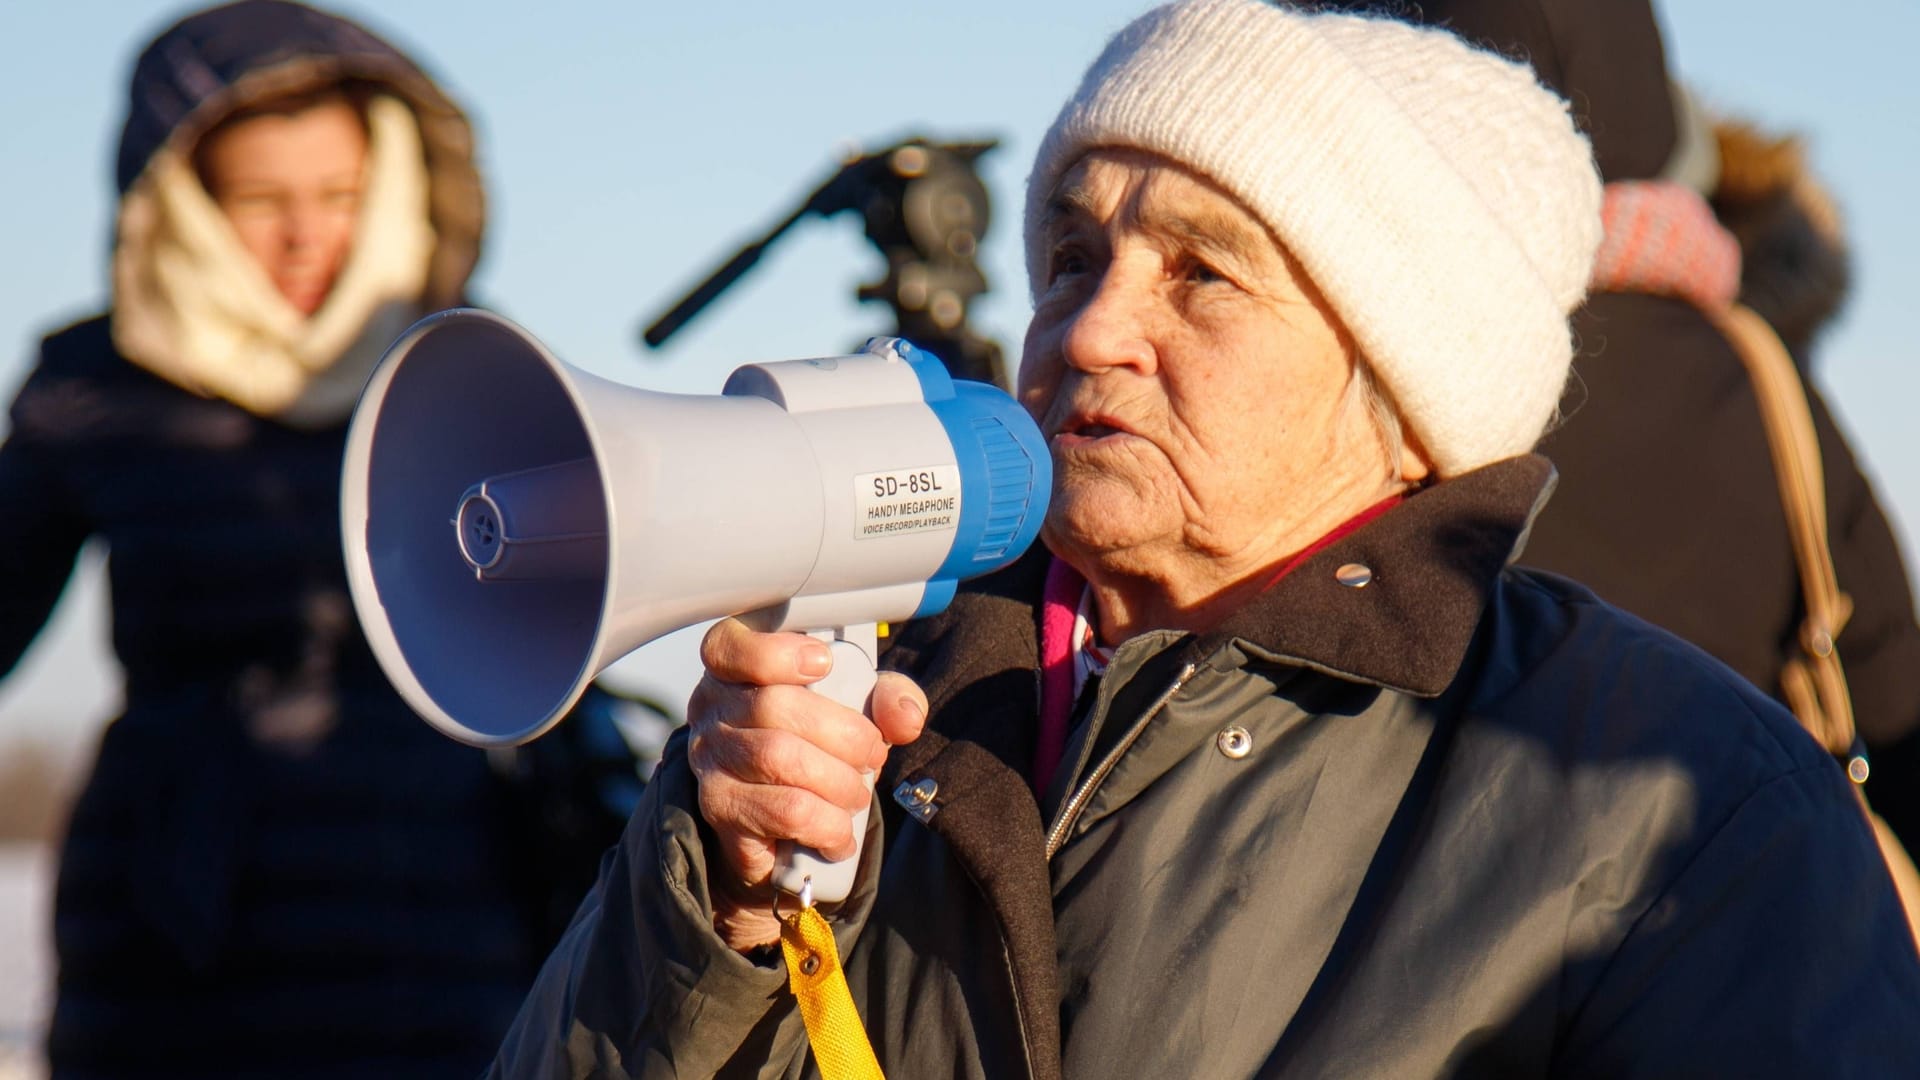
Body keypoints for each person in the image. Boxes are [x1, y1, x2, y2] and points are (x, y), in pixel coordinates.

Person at [489, 2, 1920, 1076]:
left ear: (1403, 388)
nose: (1092, 327)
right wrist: (715, 916)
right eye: (1070, 258)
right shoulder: (870, 706)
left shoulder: (1695, 804)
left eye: (1202, 274)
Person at [0, 2, 599, 1074]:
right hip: (171, 923)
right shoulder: (94, 386)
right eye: (260, 200)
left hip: (443, 904)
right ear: (181, 205)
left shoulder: (469, 366)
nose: (304, 234)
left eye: (339, 196)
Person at [1364, 0, 1920, 850]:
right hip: (1741, 903)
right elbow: (1893, 682)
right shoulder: (1760, 371)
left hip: (1432, 913)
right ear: (1658, 114)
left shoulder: (1389, 373)